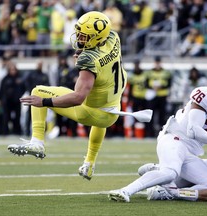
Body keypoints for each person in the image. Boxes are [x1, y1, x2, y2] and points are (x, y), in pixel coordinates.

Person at [7, 11, 127, 181]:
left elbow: (78, 97)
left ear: (96, 37)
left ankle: (37, 142)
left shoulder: (89, 60)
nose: (79, 37)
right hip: (114, 108)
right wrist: (84, 53)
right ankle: (89, 164)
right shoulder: (113, 37)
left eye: (85, 36)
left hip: (92, 113)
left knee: (38, 91)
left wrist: (44, 102)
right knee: (98, 106)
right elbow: (102, 57)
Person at [108, 71, 207, 202]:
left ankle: (169, 190)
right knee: (170, 173)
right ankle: (125, 191)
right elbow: (193, 130)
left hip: (191, 152)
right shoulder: (206, 96)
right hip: (174, 138)